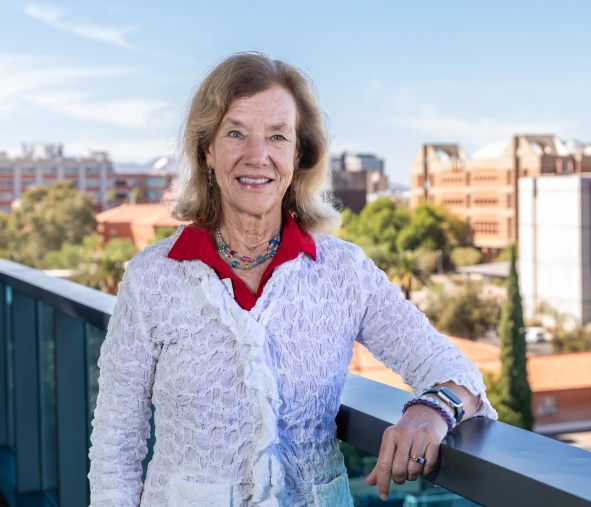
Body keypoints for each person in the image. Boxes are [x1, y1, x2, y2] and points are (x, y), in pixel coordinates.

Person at [87, 52, 496, 507]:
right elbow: (115, 448)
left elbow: (455, 371)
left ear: (298, 154)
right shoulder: (153, 276)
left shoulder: (344, 272)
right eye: (236, 133)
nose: (257, 156)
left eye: (277, 136)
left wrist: (431, 411)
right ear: (207, 149)